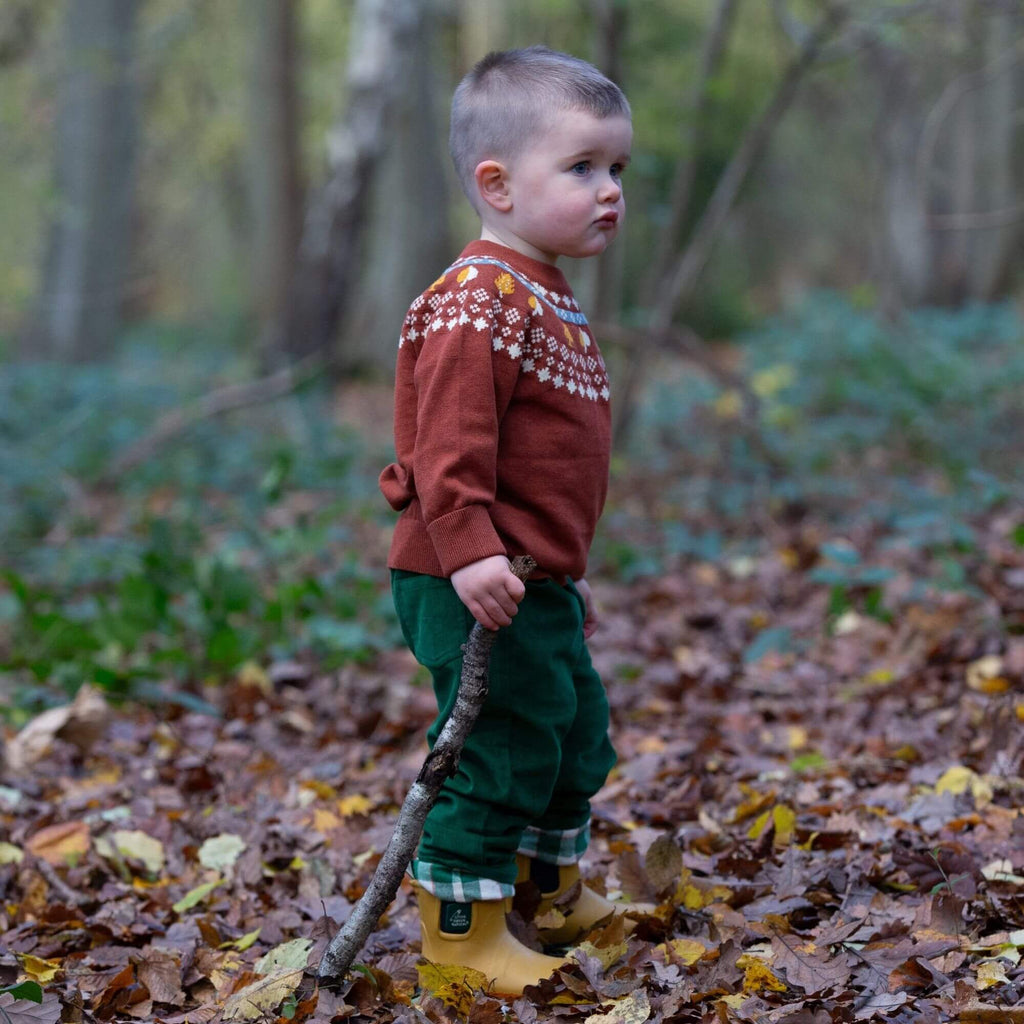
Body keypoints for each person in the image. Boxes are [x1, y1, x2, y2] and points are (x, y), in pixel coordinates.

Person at [379, 45, 643, 997]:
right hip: (469, 571)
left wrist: (560, 577)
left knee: (573, 730)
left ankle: (545, 889)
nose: (610, 189)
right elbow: (450, 448)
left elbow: (547, 472)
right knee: (499, 740)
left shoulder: (542, 293)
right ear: (496, 183)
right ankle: (460, 934)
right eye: (582, 168)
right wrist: (470, 553)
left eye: (617, 168)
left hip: (531, 576)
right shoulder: (477, 301)